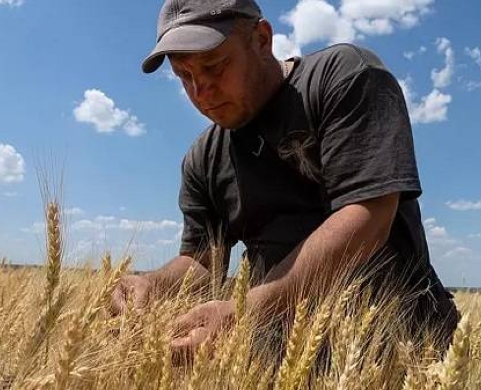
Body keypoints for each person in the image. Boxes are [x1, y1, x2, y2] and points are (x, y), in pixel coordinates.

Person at [111, 0, 459, 362]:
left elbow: (368, 216)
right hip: (289, 361)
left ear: (262, 39)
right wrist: (152, 283)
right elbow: (203, 262)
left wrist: (246, 309)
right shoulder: (204, 159)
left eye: (214, 66)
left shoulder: (342, 78)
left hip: (402, 351)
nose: (201, 91)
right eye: (184, 75)